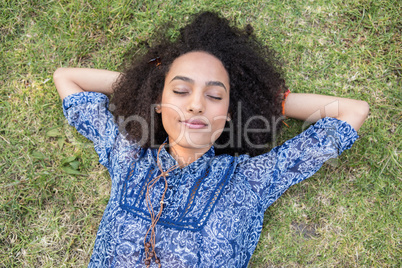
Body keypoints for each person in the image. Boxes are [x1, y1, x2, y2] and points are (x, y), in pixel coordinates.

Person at [53, 11, 369, 268]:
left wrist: (272, 104)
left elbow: (352, 112)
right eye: (180, 90)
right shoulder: (128, 156)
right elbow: (67, 78)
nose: (196, 104)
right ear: (158, 101)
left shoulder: (250, 180)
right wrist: (144, 81)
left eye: (215, 95)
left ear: (230, 112)